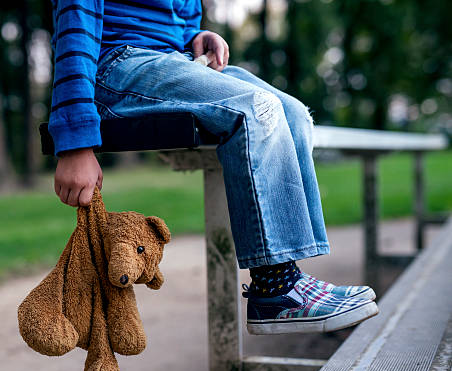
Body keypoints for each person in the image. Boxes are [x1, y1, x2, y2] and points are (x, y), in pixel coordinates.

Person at [49, 0, 379, 334]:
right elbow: (75, 23)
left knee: (293, 114)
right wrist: (74, 141)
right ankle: (276, 287)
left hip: (175, 59)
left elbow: (173, 15)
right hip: (115, 63)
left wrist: (194, 35)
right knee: (256, 108)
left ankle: (291, 277)